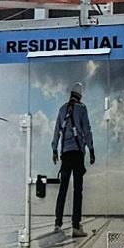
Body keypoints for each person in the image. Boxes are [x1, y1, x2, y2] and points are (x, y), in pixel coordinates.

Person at [52, 85, 95, 232]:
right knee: (78, 190)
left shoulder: (62, 109)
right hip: (77, 154)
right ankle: (76, 226)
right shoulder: (82, 108)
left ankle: (57, 223)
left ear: (71, 94)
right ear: (80, 96)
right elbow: (87, 130)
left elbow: (57, 131)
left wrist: (54, 149)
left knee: (63, 189)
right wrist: (91, 149)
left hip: (65, 154)